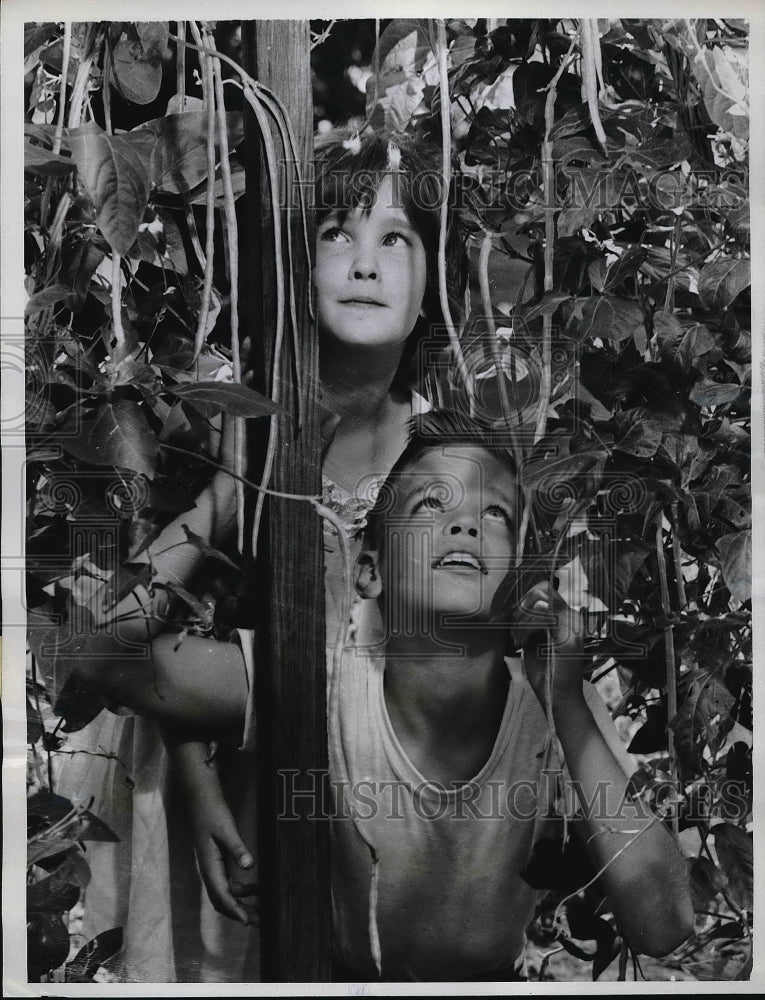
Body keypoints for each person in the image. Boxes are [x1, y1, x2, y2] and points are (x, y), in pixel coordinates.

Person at [30, 130, 467, 981]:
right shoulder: (221, 401)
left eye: (396, 240)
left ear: (430, 290)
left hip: (376, 795)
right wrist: (235, 489)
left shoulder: (444, 452)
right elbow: (119, 641)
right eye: (337, 235)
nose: (365, 266)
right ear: (294, 271)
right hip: (224, 767)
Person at [62, 410, 695, 980]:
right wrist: (222, 499)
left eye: (495, 513)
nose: (466, 525)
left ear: (524, 577)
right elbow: (101, 658)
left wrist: (566, 706)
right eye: (429, 506)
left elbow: (662, 926)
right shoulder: (326, 682)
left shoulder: (558, 701)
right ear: (370, 569)